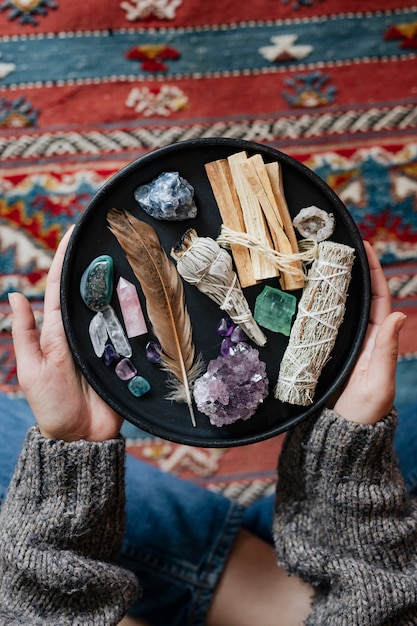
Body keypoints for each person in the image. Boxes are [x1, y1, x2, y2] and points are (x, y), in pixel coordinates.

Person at [0, 226, 416, 625]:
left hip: (253, 585)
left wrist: (72, 449)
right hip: (314, 590)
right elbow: (383, 601)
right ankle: (263, 551)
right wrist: (347, 459)